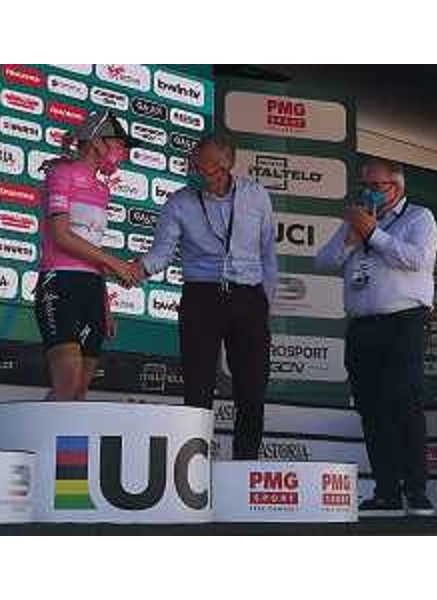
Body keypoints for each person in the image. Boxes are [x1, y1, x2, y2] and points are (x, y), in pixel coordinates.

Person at [129, 134, 278, 459]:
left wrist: (263, 302)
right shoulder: (179, 201)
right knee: (197, 393)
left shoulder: (256, 196)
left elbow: (268, 253)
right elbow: (161, 253)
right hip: (201, 298)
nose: (194, 173)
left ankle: (245, 468)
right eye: (193, 166)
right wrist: (134, 270)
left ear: (224, 168)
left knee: (252, 393)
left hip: (248, 298)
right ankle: (194, 469)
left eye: (201, 168)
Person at [316, 157, 437, 517]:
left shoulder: (419, 218)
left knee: (404, 402)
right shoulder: (355, 221)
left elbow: (417, 259)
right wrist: (352, 239)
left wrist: (374, 235)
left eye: (375, 186)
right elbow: (324, 261)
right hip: (362, 326)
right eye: (364, 186)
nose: (367, 192)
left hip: (403, 323)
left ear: (395, 188)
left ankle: (416, 489)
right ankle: (386, 490)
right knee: (371, 409)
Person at [34, 109, 140, 401]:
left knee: (79, 390)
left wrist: (105, 303)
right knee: (67, 383)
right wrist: (116, 263)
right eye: (119, 144)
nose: (123, 152)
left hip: (92, 288)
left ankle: (55, 433)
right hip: (59, 282)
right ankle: (40, 431)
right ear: (97, 142)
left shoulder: (103, 189)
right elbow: (60, 235)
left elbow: (92, 247)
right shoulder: (61, 173)